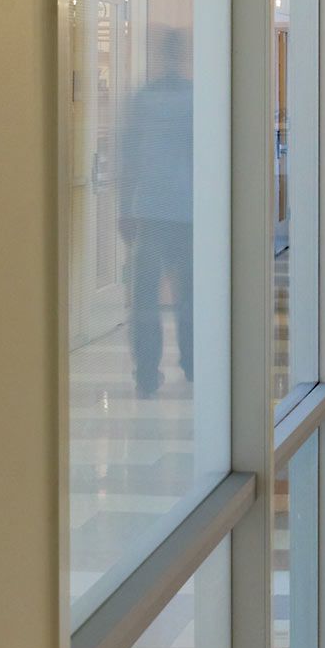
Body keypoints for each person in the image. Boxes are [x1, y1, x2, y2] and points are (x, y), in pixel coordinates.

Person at [119, 28, 197, 397]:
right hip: (187, 213)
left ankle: (147, 375)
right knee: (190, 297)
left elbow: (129, 159)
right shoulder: (195, 99)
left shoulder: (143, 99)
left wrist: (125, 209)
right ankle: (193, 364)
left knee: (145, 300)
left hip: (150, 212)